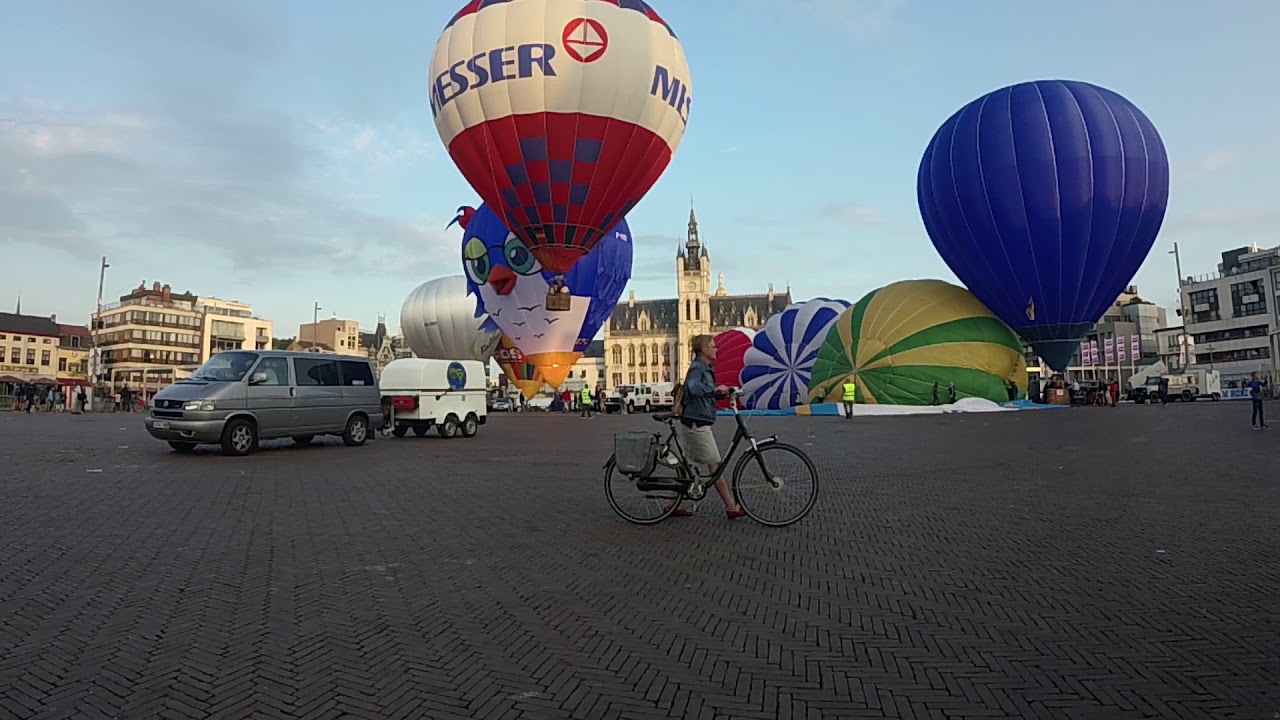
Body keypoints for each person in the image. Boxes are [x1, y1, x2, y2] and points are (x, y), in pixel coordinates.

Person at [670, 334, 747, 520]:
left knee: (687, 465)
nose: (717, 349)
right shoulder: (698, 367)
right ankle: (731, 506)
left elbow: (702, 393)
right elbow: (694, 387)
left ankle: (670, 505)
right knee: (714, 465)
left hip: (695, 419)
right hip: (697, 422)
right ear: (704, 349)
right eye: (713, 346)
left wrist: (723, 393)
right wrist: (714, 390)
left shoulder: (705, 367)